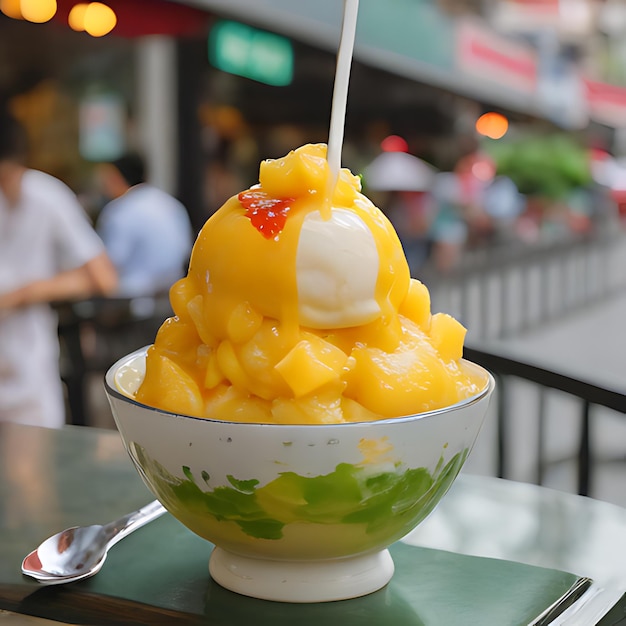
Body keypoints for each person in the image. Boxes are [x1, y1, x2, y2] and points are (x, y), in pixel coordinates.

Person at [0, 108, 118, 428]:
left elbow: (103, 277)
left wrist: (25, 293)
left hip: (27, 365)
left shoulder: (45, 196)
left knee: (29, 468)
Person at [95, 153, 193, 298]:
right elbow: (186, 249)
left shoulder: (119, 210)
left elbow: (108, 263)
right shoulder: (171, 204)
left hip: (131, 300)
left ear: (117, 178)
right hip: (172, 295)